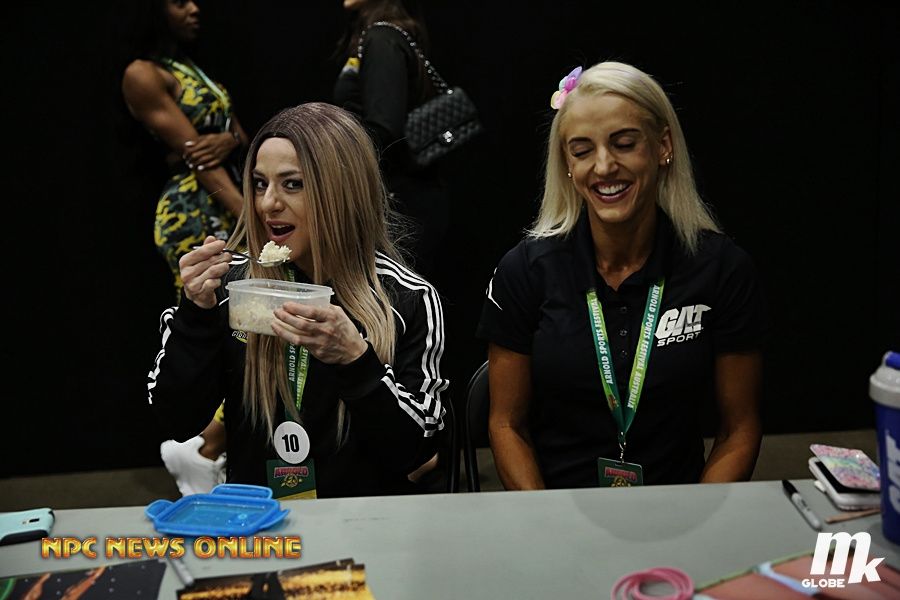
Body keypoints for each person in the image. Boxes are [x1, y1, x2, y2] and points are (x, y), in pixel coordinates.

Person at [477, 62, 767, 490]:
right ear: (567, 164)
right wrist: (542, 518)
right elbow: (506, 425)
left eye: (624, 143)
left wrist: (694, 518)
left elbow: (738, 429)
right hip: (557, 511)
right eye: (582, 151)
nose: (604, 166)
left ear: (663, 146)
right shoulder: (524, 270)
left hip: (681, 510)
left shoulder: (721, 268)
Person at [146, 102, 449, 498]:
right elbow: (175, 420)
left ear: (342, 191)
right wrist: (195, 316)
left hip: (365, 520)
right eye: (259, 184)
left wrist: (356, 360)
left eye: (292, 184)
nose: (267, 203)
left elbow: (417, 451)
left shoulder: (406, 297)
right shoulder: (231, 287)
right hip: (256, 516)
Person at [122, 0, 246, 495]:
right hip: (195, 211)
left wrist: (228, 141)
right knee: (216, 324)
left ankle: (207, 445)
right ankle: (206, 446)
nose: (195, 8)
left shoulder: (188, 67)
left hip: (226, 197)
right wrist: (251, 217)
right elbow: (199, 160)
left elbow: (237, 135)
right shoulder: (142, 73)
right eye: (179, 1)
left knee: (247, 326)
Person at [333, 0, 449, 280]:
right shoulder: (381, 36)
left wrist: (329, 156)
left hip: (397, 208)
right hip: (403, 200)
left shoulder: (382, 39)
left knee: (391, 300)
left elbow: (384, 129)